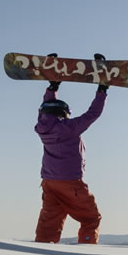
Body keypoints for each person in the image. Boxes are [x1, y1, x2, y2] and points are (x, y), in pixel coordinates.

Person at [34, 77, 108, 244]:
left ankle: (42, 249)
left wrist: (53, 87)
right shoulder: (69, 128)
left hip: (48, 182)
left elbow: (47, 108)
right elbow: (92, 114)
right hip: (70, 183)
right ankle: (86, 250)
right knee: (91, 218)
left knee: (50, 220)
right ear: (64, 113)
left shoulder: (43, 127)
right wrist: (101, 91)